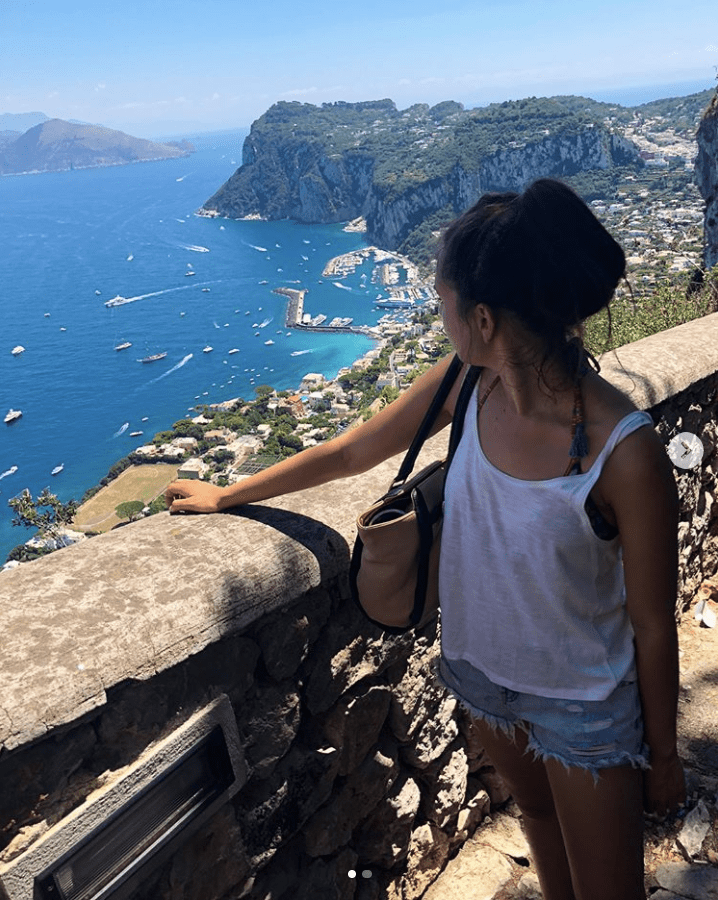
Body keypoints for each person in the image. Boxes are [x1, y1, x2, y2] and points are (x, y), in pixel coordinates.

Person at [166, 178, 685, 900]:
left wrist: (662, 755)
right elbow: (353, 452)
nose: (437, 311)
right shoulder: (470, 383)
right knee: (539, 826)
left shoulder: (621, 450)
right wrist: (230, 493)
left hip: (584, 704)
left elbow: (655, 624)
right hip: (481, 673)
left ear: (482, 317)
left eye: (440, 298)